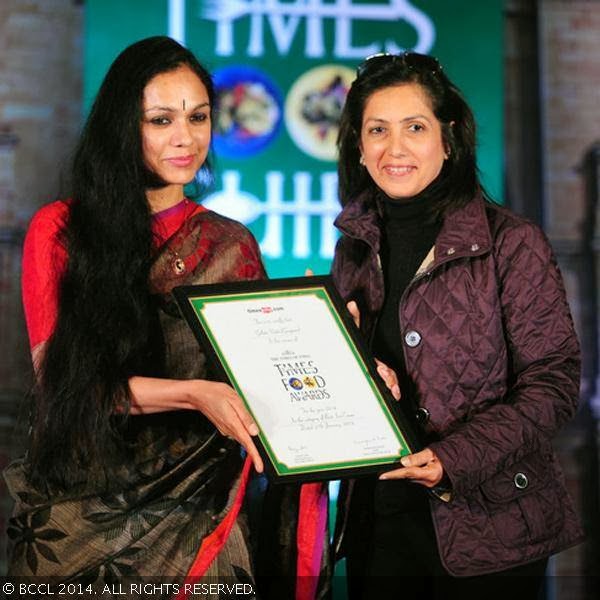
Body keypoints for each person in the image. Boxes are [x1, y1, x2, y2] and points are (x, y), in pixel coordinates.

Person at [4, 35, 293, 588]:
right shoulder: (62, 230)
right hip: (76, 512)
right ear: (122, 127)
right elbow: (62, 386)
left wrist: (334, 346)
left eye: (199, 117)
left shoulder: (229, 244)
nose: (186, 138)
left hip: (199, 511)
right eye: (160, 120)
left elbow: (261, 382)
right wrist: (193, 393)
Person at [331, 52, 584, 599]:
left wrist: (453, 457)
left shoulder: (512, 242)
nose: (394, 148)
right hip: (382, 522)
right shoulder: (353, 246)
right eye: (377, 129)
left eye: (414, 127)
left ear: (448, 139)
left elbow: (555, 383)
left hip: (490, 529)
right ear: (358, 144)